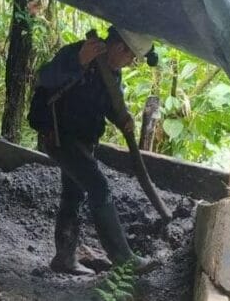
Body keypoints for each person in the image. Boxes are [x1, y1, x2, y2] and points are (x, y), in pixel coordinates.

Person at [27, 27, 158, 275]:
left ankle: (64, 259)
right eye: (131, 58)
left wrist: (123, 120)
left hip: (83, 142)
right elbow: (45, 77)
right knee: (99, 187)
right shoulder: (79, 52)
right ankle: (124, 258)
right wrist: (78, 62)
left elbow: (109, 102)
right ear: (120, 48)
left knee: (73, 196)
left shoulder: (113, 73)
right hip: (59, 137)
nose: (130, 63)